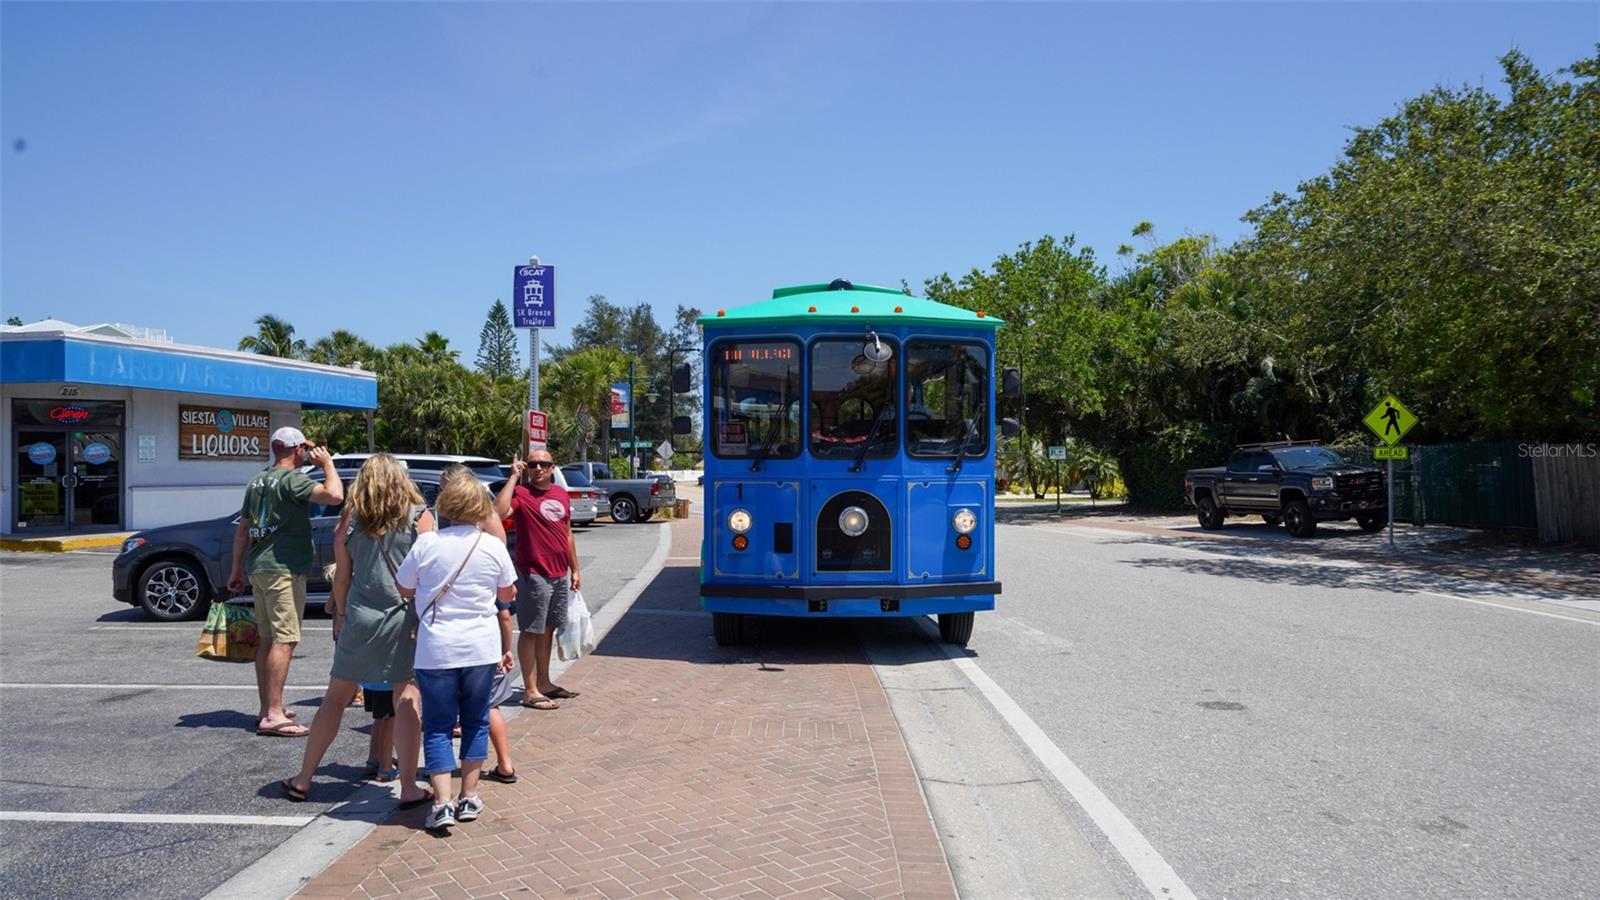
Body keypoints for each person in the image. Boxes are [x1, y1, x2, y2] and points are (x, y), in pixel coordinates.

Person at [281, 453, 432, 808]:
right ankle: (408, 785)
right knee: (406, 698)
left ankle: (304, 778)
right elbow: (429, 571)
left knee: (335, 699)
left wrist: (341, 614)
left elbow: (342, 576)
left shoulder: (350, 520)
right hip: (404, 617)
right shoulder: (419, 517)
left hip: (360, 616)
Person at [395, 475, 517, 832]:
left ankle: (441, 802)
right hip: (480, 645)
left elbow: (404, 587)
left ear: (445, 505)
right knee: (476, 719)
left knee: (437, 725)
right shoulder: (492, 546)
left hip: (436, 648)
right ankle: (469, 796)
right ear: (479, 506)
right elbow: (507, 594)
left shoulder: (427, 543)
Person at [228, 426, 343, 738]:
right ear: (295, 450)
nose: (308, 451)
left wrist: (236, 569)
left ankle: (268, 707)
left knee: (267, 638)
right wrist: (328, 465)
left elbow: (242, 530)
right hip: (283, 569)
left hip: (259, 567)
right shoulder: (293, 480)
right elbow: (334, 496)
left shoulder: (257, 481)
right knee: (285, 638)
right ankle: (274, 714)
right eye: (305, 446)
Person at [437, 465, 517, 784]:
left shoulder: (478, 514)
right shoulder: (470, 512)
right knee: (479, 700)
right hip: (475, 608)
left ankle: (504, 762)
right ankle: (501, 764)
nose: (441, 491)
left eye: (445, 484)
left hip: (479, 607)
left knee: (485, 701)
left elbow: (501, 563)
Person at [493, 449, 582, 711]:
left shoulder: (560, 494)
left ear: (553, 468)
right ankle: (529, 690)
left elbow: (567, 534)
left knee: (548, 629)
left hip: (558, 573)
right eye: (533, 464)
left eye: (544, 464)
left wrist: (574, 569)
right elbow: (498, 512)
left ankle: (544, 682)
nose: (538, 468)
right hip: (534, 573)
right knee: (531, 630)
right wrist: (513, 477)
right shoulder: (522, 493)